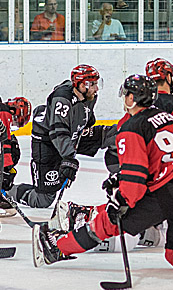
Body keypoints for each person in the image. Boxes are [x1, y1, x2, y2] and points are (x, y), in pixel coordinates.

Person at [31, 75, 173, 275]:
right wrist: (121, 179)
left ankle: (55, 247)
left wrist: (120, 201)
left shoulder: (132, 127)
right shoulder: (168, 118)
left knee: (107, 222)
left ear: (132, 98)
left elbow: (135, 180)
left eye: (127, 95)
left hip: (166, 195)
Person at [12, 65, 104, 209]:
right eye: (91, 84)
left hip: (71, 136)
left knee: (112, 135)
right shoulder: (62, 99)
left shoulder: (89, 95)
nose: (96, 88)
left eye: (96, 83)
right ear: (79, 85)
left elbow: (86, 117)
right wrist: (69, 158)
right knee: (43, 200)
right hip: (47, 143)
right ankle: (4, 193)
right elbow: (58, 132)